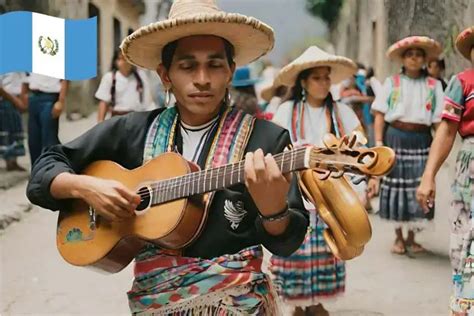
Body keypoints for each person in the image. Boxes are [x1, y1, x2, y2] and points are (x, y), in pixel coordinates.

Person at [26, 0, 309, 314]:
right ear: (165, 74)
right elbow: (45, 168)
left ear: (230, 72)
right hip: (153, 304)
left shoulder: (267, 140)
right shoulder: (131, 131)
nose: (202, 79)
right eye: (188, 66)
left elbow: (288, 242)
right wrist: (86, 188)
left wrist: (273, 212)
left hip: (236, 303)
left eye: (215, 65)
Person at [270, 46, 361, 316]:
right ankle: (298, 304)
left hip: (331, 192)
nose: (323, 83)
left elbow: (357, 149)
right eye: (317, 78)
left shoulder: (342, 114)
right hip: (297, 191)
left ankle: (317, 301)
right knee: (296, 247)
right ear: (304, 82)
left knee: (325, 248)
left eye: (326, 77)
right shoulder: (286, 111)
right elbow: (276, 148)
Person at [417, 26, 474, 316]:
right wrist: (429, 177)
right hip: (471, 168)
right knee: (467, 237)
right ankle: (463, 306)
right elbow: (447, 131)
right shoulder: (462, 82)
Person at [370, 36, 445, 255]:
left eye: (418, 55)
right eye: (410, 55)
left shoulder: (434, 85)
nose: (414, 59)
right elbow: (379, 116)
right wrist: (379, 144)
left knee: (419, 185)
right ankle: (399, 237)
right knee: (396, 185)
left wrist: (439, 148)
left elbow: (440, 121)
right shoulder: (392, 83)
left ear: (424, 59)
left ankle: (412, 237)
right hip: (396, 138)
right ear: (403, 59)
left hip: (422, 139)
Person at [95, 49, 155, 122]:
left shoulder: (140, 77)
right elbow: (104, 102)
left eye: (127, 59)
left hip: (137, 118)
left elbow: (148, 102)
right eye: (122, 59)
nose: (125, 62)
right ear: (116, 61)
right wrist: (100, 123)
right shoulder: (110, 78)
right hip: (117, 119)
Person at [24, 73, 68, 165]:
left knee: (49, 140)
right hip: (33, 97)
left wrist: (61, 101)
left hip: (49, 97)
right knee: (33, 140)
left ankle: (52, 170)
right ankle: (35, 171)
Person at [0, 73, 27, 171]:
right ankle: (9, 160)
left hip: (17, 98)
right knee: (8, 131)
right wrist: (15, 101)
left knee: (16, 131)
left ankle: (14, 161)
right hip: (7, 99)